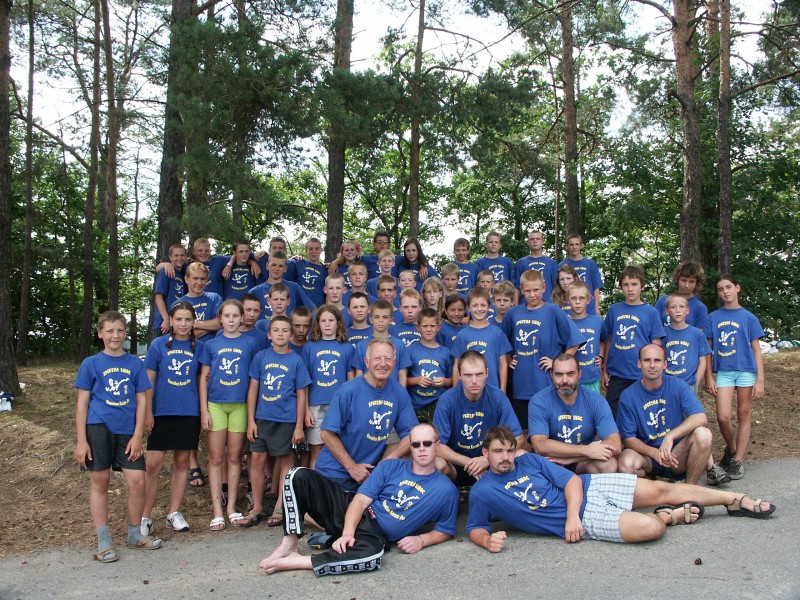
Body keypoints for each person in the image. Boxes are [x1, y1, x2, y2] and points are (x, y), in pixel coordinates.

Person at [467, 425, 775, 552]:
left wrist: (570, 517)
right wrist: (487, 541)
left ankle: (735, 499)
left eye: (509, 450)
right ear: (485, 453)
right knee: (650, 529)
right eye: (498, 452)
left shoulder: (529, 460)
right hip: (587, 519)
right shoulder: (483, 492)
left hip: (590, 487)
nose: (505, 457)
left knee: (664, 489)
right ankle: (667, 516)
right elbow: (475, 527)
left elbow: (571, 480)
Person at [258, 423, 458, 577]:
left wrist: (421, 540)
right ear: (411, 447)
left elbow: (446, 529)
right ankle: (290, 543)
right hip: (353, 510)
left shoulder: (446, 491)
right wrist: (347, 533)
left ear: (437, 445)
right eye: (416, 444)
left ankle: (299, 561)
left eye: (427, 443)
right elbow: (360, 500)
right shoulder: (390, 466)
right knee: (297, 475)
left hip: (374, 535)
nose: (421, 448)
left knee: (373, 556)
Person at [74, 311, 160, 563]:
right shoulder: (91, 363)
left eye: (120, 330)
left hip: (127, 431)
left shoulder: (135, 363)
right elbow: (82, 403)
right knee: (100, 481)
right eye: (110, 331)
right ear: (100, 333)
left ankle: (134, 534)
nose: (115, 335)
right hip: (98, 427)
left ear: (125, 333)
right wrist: (81, 441)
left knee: (138, 481)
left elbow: (142, 400)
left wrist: (137, 435)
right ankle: (104, 542)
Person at [314, 339, 419, 492]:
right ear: (366, 362)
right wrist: (352, 467)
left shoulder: (399, 392)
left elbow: (412, 434)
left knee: (408, 453)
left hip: (368, 475)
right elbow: (326, 434)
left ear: (394, 363)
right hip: (335, 473)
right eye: (377, 358)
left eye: (388, 359)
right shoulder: (348, 391)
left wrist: (390, 459)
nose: (383, 364)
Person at [616, 344, 725, 486]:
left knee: (703, 434)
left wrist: (670, 436)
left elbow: (700, 417)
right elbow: (628, 438)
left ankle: (688, 489)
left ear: (665, 364)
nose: (652, 365)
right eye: (647, 360)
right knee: (626, 462)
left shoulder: (678, 385)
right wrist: (654, 453)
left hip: (676, 455)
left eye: (657, 360)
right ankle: (654, 485)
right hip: (648, 457)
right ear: (639, 363)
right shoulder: (628, 396)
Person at [141, 303, 205, 536]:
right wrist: (147, 412)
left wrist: (202, 412)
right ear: (170, 320)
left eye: (188, 319)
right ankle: (144, 517)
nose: (183, 324)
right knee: (153, 465)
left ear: (193, 322)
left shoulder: (199, 347)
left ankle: (173, 513)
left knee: (182, 463)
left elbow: (201, 381)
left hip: (188, 412)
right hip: (161, 412)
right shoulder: (158, 345)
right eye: (179, 319)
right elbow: (148, 380)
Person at [198, 299, 260, 530]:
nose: (231, 320)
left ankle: (231, 507)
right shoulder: (211, 344)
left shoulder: (251, 343)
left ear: (242, 318)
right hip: (216, 404)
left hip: (240, 406)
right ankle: (217, 510)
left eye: (235, 316)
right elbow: (203, 378)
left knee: (235, 457)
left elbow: (254, 379)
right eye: (227, 316)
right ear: (220, 319)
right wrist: (204, 410)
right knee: (216, 458)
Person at [246, 316, 312, 527]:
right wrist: (250, 420)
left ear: (291, 335)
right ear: (269, 334)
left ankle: (280, 506)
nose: (281, 334)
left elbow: (301, 394)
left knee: (285, 460)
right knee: (257, 459)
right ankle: (257, 507)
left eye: (285, 330)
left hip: (286, 419)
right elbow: (253, 390)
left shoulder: (296, 360)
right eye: (276, 330)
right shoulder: (261, 357)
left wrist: (299, 426)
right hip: (262, 418)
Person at [502, 270, 584, 433]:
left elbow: (575, 340)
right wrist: (509, 359)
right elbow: (501, 342)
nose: (532, 295)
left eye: (536, 290)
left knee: (549, 430)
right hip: (521, 384)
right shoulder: (513, 313)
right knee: (524, 431)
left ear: (544, 288)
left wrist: (557, 363)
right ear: (521, 290)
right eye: (528, 291)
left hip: (545, 384)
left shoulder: (553, 311)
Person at [704, 274, 766, 481]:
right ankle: (731, 449)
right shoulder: (713, 317)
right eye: (721, 289)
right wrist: (708, 377)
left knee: (743, 413)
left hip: (746, 370)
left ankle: (738, 460)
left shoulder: (748, 317)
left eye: (728, 287)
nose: (725, 292)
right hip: (724, 372)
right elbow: (707, 351)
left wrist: (760, 380)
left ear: (737, 288)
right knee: (723, 416)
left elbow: (756, 350)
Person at [433, 351, 522, 486]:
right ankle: (449, 493)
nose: (474, 381)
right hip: (457, 465)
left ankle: (507, 491)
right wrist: (470, 463)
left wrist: (486, 459)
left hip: (491, 464)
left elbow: (518, 438)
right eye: (468, 375)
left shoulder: (498, 397)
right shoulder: (447, 400)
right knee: (437, 463)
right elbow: (437, 446)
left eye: (479, 374)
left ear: (487, 373)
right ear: (459, 375)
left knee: (522, 454)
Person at [528, 353, 621, 474]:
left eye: (570, 374)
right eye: (559, 374)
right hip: (552, 461)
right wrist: (585, 450)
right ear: (551, 375)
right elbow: (540, 445)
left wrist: (573, 458)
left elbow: (615, 445)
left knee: (609, 464)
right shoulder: (539, 401)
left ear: (579, 374)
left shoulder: (596, 401)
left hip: (584, 461)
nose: (564, 380)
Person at [601, 265, 665, 417]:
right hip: (617, 373)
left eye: (634, 284)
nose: (630, 289)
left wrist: (654, 370)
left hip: (641, 373)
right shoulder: (614, 310)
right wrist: (605, 369)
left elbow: (656, 345)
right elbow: (609, 339)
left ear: (642, 286)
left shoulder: (651, 312)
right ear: (621, 287)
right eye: (626, 284)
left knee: (641, 413)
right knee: (614, 414)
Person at [302, 306, 357, 467]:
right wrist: (305, 410)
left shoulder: (346, 348)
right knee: (317, 451)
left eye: (331, 320)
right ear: (318, 324)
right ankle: (314, 483)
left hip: (338, 405)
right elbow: (304, 383)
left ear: (338, 323)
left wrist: (351, 406)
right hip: (315, 405)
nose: (327, 324)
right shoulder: (309, 347)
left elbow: (351, 381)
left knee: (338, 450)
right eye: (323, 321)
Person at [451, 288, 512, 393]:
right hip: (468, 391)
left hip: (492, 390)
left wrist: (502, 391)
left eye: (483, 305)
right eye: (475, 305)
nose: (479, 309)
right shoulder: (462, 335)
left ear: (489, 306)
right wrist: (454, 392)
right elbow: (456, 366)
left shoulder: (497, 333)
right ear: (468, 308)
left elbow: (503, 364)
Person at [407, 308, 452, 422]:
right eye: (425, 326)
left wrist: (444, 381)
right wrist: (417, 380)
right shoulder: (410, 350)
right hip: (416, 406)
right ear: (418, 327)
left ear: (438, 327)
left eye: (432, 326)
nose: (428, 329)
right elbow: (402, 380)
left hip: (438, 403)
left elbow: (452, 380)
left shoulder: (445, 352)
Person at [354, 301, 412, 384]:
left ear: (391, 320)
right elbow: (359, 375)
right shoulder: (361, 345)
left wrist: (401, 392)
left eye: (385, 317)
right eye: (376, 317)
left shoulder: (399, 345)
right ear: (371, 319)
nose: (380, 320)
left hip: (393, 391)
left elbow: (402, 375)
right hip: (368, 391)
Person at [248, 251, 316, 321]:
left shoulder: (294, 288)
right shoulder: (255, 292)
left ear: (285, 268)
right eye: (273, 265)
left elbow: (313, 309)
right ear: (267, 266)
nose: (277, 269)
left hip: (288, 327)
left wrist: (307, 325)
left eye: (280, 266)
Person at [663, 293, 711, 390]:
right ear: (667, 311)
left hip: (689, 385)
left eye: (681, 306)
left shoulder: (697, 334)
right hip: (666, 384)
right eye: (673, 307)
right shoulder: (662, 334)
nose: (678, 310)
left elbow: (702, 361)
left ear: (687, 310)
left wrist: (696, 383)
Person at [567, 281, 605, 392]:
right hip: (570, 377)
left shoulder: (597, 321)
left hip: (591, 377)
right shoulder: (565, 322)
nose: (577, 302)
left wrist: (601, 357)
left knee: (592, 402)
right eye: (574, 298)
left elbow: (603, 340)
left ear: (588, 300)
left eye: (581, 298)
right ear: (568, 300)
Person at [653, 260, 709, 329]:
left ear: (697, 283)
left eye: (691, 281)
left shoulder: (700, 308)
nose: (687, 285)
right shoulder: (663, 301)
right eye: (684, 280)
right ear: (678, 279)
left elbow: (701, 333)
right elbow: (653, 327)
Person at [174, 262, 223, 339]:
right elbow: (182, 334)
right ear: (186, 279)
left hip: (212, 345)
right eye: (195, 278)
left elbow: (221, 322)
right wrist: (210, 327)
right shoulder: (178, 304)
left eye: (203, 279)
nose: (199, 282)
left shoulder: (214, 298)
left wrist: (194, 324)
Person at [559, 233, 603, 315]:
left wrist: (597, 307)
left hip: (588, 304)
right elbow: (558, 287)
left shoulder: (590, 263)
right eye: (571, 244)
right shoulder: (562, 265)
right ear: (567, 247)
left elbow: (596, 287)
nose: (574, 247)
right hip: (569, 305)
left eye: (577, 244)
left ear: (581, 246)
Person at [152, 244, 187, 338]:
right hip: (164, 324)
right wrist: (166, 319)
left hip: (178, 323)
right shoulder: (166, 272)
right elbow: (158, 297)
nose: (179, 258)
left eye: (182, 255)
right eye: (176, 255)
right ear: (170, 257)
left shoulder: (183, 273)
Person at [514, 230, 558, 302]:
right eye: (532, 239)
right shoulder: (520, 263)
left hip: (547, 303)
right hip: (525, 304)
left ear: (542, 241)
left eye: (538, 239)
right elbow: (517, 288)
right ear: (528, 242)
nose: (535, 241)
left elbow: (556, 288)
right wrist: (516, 305)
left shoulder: (552, 263)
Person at [286, 237, 327, 308]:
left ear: (321, 250)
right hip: (301, 310)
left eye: (317, 249)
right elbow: (282, 262)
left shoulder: (325, 269)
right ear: (306, 250)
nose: (314, 251)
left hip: (318, 309)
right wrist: (292, 258)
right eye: (310, 249)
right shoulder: (299, 263)